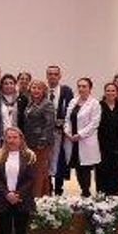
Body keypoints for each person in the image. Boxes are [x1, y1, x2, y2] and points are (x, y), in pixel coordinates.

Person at [0, 126, 37, 234]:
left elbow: (31, 179)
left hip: (22, 200)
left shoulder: (29, 156)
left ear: (21, 138)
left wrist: (17, 195)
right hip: (3, 200)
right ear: (5, 139)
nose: (11, 140)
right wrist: (7, 194)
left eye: (15, 137)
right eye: (9, 137)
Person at [63, 78, 101, 197]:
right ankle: (83, 191)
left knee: (85, 168)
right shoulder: (73, 101)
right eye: (79, 86)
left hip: (85, 141)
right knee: (77, 167)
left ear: (90, 88)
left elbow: (94, 123)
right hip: (72, 141)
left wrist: (80, 135)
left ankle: (86, 193)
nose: (81, 89)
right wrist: (68, 132)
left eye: (84, 86)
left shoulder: (94, 103)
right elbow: (67, 119)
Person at [23, 80, 58, 197]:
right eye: (34, 88)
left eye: (39, 88)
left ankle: (37, 198)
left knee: (38, 171)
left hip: (41, 143)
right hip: (30, 142)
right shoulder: (30, 103)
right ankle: (45, 196)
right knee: (40, 171)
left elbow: (50, 124)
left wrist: (42, 141)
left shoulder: (47, 104)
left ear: (44, 91)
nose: (36, 90)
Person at [45, 65, 74, 195]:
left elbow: (71, 110)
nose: (53, 76)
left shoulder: (66, 91)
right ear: (47, 76)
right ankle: (47, 189)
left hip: (60, 133)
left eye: (55, 74)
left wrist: (64, 124)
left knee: (59, 161)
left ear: (60, 76)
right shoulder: (42, 90)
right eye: (50, 74)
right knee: (47, 161)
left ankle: (58, 190)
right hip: (45, 134)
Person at [96, 82, 118, 196]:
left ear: (117, 93)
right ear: (104, 92)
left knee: (117, 171)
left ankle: (115, 196)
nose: (110, 93)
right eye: (108, 90)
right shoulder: (98, 106)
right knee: (102, 171)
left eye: (113, 91)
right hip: (102, 145)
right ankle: (102, 196)